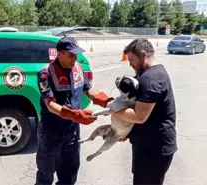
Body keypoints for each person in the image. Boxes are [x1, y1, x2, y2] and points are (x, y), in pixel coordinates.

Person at [35, 37, 113, 185]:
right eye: (71, 55)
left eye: (76, 54)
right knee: (46, 173)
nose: (75, 58)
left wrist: (101, 98)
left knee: (70, 172)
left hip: (72, 130)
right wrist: (74, 114)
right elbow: (50, 104)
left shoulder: (78, 67)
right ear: (59, 54)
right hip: (51, 130)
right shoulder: (46, 74)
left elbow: (87, 88)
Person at [112, 38, 177, 185]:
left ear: (143, 55)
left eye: (132, 60)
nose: (130, 64)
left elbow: (139, 116)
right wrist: (128, 132)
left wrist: (113, 110)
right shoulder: (152, 72)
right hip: (149, 145)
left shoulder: (151, 78)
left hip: (154, 149)